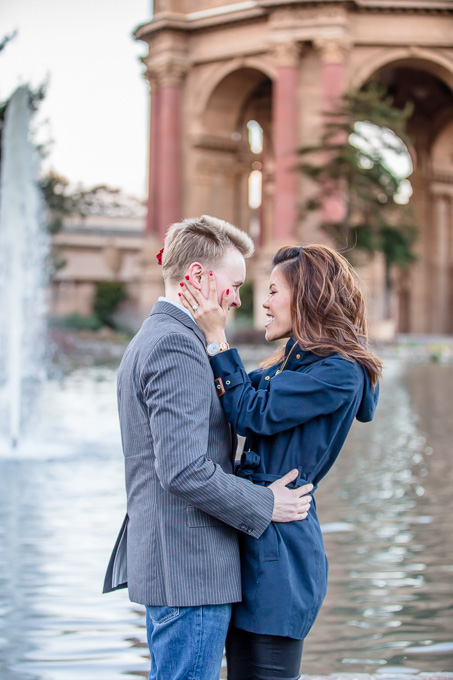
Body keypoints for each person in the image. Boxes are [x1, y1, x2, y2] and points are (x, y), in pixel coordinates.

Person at [103, 216, 314, 680]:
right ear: (198, 277)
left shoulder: (161, 337)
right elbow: (182, 470)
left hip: (182, 567)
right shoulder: (175, 345)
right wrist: (267, 502)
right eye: (234, 285)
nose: (240, 298)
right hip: (189, 570)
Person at [179, 243, 382, 680]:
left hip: (281, 556)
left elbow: (251, 411)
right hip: (257, 529)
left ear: (306, 296)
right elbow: (230, 396)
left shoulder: (338, 372)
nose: (264, 303)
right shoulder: (292, 363)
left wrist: (217, 338)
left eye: (273, 291)